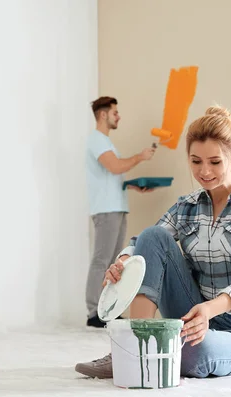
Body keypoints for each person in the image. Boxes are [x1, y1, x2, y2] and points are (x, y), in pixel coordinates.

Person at [75, 105, 231, 379]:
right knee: (153, 236)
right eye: (196, 161)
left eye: (215, 162)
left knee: (196, 353)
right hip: (194, 314)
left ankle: (153, 351)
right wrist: (123, 261)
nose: (204, 171)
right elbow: (146, 244)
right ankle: (132, 348)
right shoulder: (187, 205)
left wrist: (208, 311)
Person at [85, 96, 157, 328]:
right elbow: (114, 166)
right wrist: (140, 157)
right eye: (115, 112)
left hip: (115, 207)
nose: (119, 116)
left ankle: (107, 310)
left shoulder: (105, 142)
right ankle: (94, 312)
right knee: (102, 260)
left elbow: (112, 175)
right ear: (103, 114)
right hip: (106, 209)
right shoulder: (97, 140)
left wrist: (132, 185)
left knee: (114, 263)